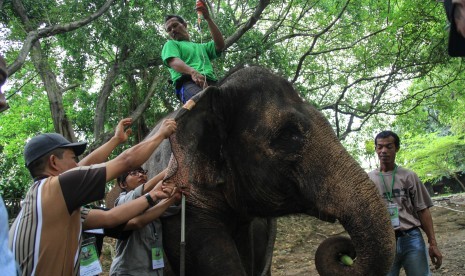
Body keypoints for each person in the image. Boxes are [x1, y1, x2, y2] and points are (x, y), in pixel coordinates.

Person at [9, 117, 177, 276]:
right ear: (53, 162)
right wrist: (160, 135)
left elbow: (109, 217)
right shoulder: (54, 188)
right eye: (73, 159)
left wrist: (152, 195)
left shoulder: (49, 204)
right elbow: (126, 160)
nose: (77, 164)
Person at [368, 130, 443, 275]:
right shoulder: (369, 179)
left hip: (411, 238)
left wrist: (433, 243)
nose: (383, 151)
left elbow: (423, 210)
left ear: (396, 148)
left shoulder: (409, 176)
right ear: (376, 149)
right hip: (383, 241)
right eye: (380, 147)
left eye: (388, 146)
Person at [109, 168, 180, 276]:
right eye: (133, 173)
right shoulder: (121, 201)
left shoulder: (153, 203)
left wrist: (176, 196)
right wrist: (167, 172)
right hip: (128, 271)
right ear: (123, 184)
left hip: (153, 271)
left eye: (143, 172)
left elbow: (169, 209)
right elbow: (138, 197)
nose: (141, 175)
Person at [161, 0, 225, 104]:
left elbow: (220, 45)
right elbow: (174, 62)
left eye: (175, 25)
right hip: (187, 83)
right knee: (205, 104)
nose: (172, 30)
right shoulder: (171, 44)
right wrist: (193, 72)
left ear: (185, 25)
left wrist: (208, 18)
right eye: (169, 29)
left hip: (212, 82)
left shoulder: (201, 47)